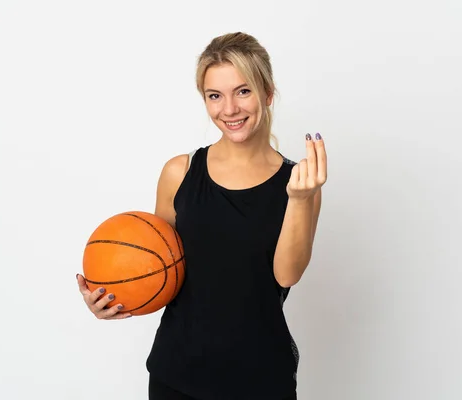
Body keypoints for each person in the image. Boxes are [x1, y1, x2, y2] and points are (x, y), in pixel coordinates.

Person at [76, 32, 327, 400]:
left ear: (268, 93)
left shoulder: (299, 183)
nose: (229, 109)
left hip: (261, 379)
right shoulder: (180, 171)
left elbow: (287, 276)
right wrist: (113, 296)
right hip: (176, 376)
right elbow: (158, 267)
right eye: (215, 95)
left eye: (243, 91)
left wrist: (301, 200)